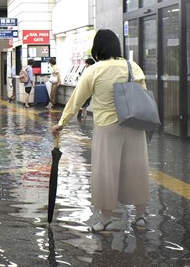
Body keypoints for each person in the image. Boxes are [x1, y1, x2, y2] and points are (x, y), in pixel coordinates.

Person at [51, 29, 150, 233]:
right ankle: (140, 217)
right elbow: (143, 95)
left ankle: (106, 220)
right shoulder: (133, 67)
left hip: (107, 127)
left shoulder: (94, 71)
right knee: (137, 169)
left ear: (97, 49)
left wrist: (62, 122)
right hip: (134, 124)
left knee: (106, 171)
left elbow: (76, 100)